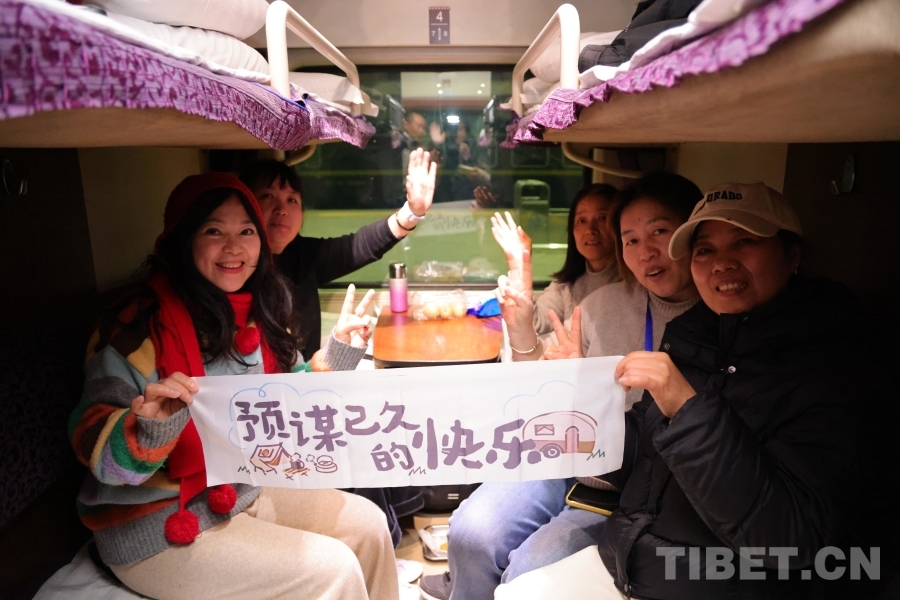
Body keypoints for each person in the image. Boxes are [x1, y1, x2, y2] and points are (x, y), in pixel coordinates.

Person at [500, 181, 900, 599]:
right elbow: (637, 461)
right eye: (705, 250)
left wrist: (687, 408)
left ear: (792, 255)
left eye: (744, 242)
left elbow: (788, 538)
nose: (722, 263)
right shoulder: (693, 337)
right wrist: (580, 399)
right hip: (639, 562)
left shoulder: (837, 367)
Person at [69, 173, 398, 600]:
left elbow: (282, 402)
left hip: (238, 486)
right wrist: (148, 429)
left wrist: (336, 355)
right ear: (182, 240)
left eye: (246, 231)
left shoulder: (260, 306)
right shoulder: (135, 324)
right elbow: (93, 445)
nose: (233, 247)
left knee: (370, 526)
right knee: (333, 569)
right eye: (213, 231)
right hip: (154, 519)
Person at [419, 173, 703, 600]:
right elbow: (540, 392)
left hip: (629, 492)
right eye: (630, 239)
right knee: (470, 533)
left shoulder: (716, 321)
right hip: (564, 459)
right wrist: (522, 331)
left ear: (690, 233)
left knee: (527, 572)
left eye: (659, 232)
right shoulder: (600, 306)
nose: (645, 252)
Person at [239, 148, 437, 362]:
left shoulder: (303, 254)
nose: (282, 209)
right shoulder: (233, 269)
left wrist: (412, 213)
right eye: (268, 196)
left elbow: (360, 245)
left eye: (292, 200)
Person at [494, 183, 620, 361]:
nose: (590, 230)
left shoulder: (628, 290)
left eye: (602, 218)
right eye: (581, 221)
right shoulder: (568, 285)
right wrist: (520, 269)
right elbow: (536, 324)